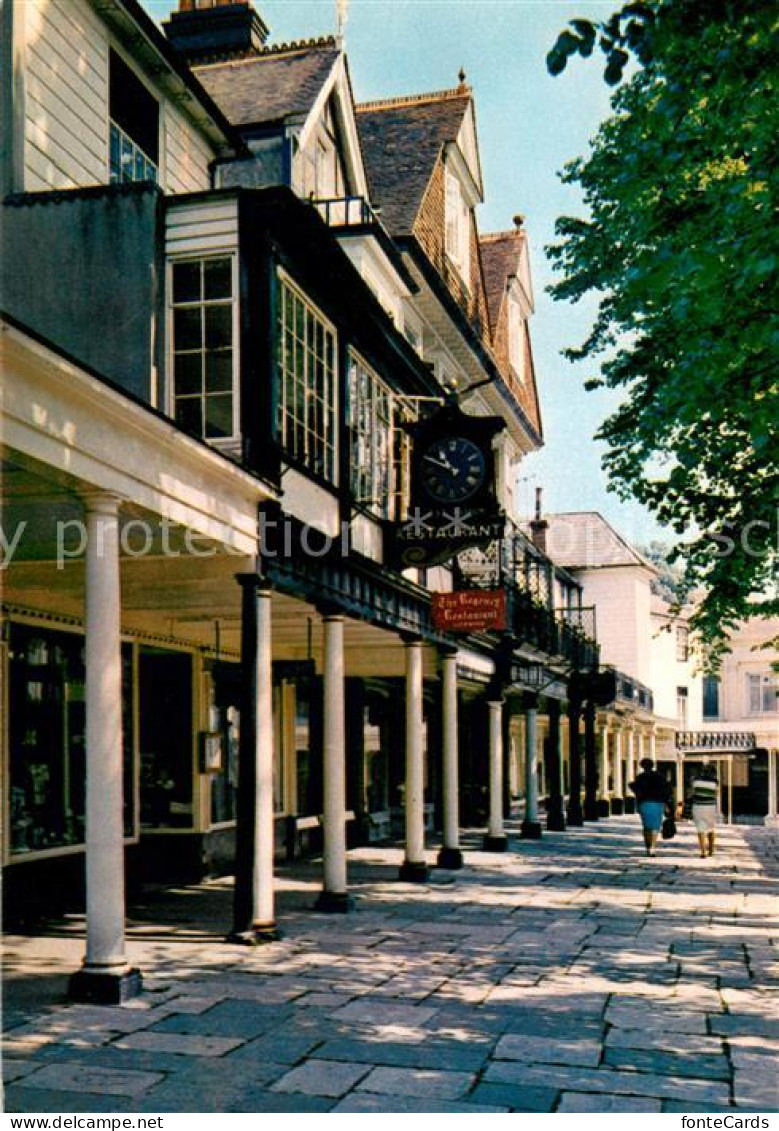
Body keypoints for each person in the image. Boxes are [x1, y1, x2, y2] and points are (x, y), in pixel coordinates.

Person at [628, 757, 672, 856]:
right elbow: (666, 791)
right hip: (658, 803)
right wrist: (667, 804)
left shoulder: (640, 777)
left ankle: (648, 846)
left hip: (645, 803)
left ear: (642, 766)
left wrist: (638, 804)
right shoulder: (660, 777)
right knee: (655, 827)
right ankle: (652, 846)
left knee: (646, 826)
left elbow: (637, 792)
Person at [688, 762, 719, 858]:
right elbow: (716, 794)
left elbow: (692, 793)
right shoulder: (715, 782)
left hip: (698, 806)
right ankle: (711, 850)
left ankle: (703, 851)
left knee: (701, 828)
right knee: (711, 828)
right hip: (710, 807)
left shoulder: (695, 781)